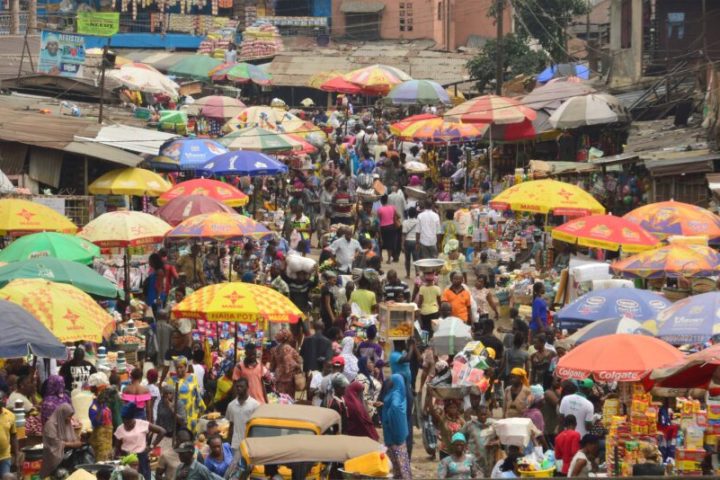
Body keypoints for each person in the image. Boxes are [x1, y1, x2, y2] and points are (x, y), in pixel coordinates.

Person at [115, 403, 166, 480]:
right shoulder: (120, 429)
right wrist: (116, 456)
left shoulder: (142, 424)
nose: (126, 423)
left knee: (144, 477)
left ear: (132, 418)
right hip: (127, 459)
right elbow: (117, 447)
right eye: (124, 421)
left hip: (141, 458)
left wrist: (151, 446)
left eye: (128, 421)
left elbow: (162, 431)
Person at [382, 374, 412, 480]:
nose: (388, 381)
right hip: (395, 434)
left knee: (398, 464)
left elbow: (395, 407)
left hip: (393, 435)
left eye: (390, 379)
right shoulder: (398, 392)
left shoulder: (396, 393)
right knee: (398, 464)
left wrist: (387, 417)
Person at [166, 356, 205, 433]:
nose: (179, 370)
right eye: (177, 367)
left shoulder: (193, 377)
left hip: (191, 413)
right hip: (178, 415)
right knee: (180, 436)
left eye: (181, 367)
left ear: (186, 367)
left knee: (192, 436)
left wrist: (201, 409)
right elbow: (168, 398)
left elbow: (197, 394)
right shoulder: (171, 380)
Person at [39, 404, 78, 478]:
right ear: (62, 414)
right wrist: (72, 444)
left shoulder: (66, 423)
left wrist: (77, 442)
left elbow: (73, 437)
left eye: (71, 416)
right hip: (54, 455)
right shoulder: (50, 425)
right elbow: (55, 443)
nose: (70, 419)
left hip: (67, 455)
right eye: (68, 416)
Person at [461, 405, 497, 478]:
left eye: (485, 414)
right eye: (481, 415)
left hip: (490, 458)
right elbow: (460, 436)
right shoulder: (470, 424)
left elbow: (501, 437)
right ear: (477, 414)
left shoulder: (493, 424)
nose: (483, 416)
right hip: (475, 459)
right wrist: (464, 448)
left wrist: (495, 442)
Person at [225, 377, 259, 454]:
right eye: (237, 386)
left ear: (247, 387)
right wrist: (229, 440)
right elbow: (231, 424)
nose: (239, 388)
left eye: (241, 386)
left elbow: (256, 426)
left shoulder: (255, 405)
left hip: (250, 444)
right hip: (235, 444)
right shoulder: (231, 405)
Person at [270, 328, 302, 397]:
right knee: (288, 398)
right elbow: (289, 363)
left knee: (279, 397)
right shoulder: (287, 348)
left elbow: (272, 365)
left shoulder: (275, 349)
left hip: (278, 375)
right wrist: (297, 366)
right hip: (287, 378)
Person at [377, 194, 400, 263]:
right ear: (387, 200)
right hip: (391, 227)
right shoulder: (392, 208)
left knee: (380, 242)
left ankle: (380, 257)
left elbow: (379, 220)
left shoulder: (379, 209)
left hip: (382, 227)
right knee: (390, 243)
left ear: (381, 201)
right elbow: (396, 216)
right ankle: (389, 259)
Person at [402, 206, 420, 278]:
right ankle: (417, 273)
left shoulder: (405, 222)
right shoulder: (418, 222)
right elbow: (419, 233)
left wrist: (402, 245)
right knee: (416, 260)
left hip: (407, 241)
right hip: (415, 241)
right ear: (415, 214)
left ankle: (408, 274)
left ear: (408, 214)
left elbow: (403, 234)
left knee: (407, 259)